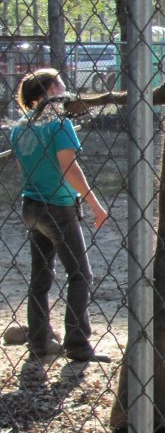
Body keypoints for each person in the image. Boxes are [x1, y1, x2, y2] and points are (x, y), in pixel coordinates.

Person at [10, 68, 110, 363]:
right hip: (59, 208)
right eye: (61, 84)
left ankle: (39, 341)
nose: (66, 89)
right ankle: (78, 344)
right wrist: (95, 204)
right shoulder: (58, 125)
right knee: (81, 274)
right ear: (51, 90)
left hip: (32, 207)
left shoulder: (20, 127)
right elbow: (70, 168)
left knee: (40, 279)